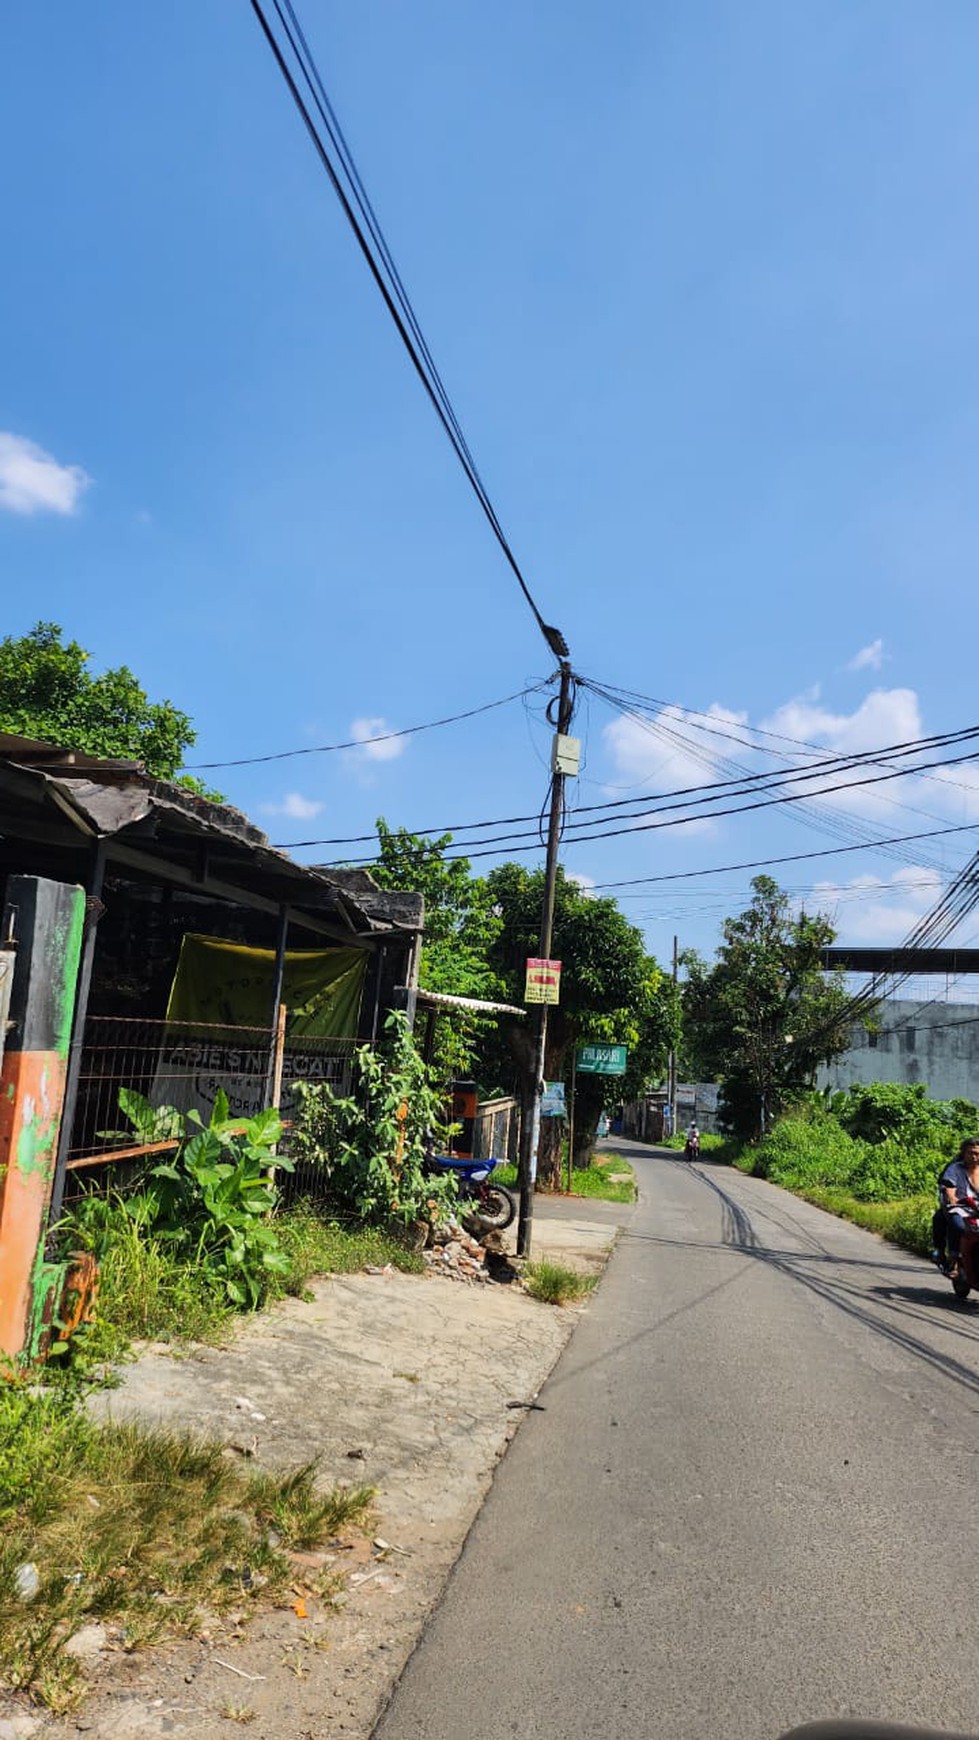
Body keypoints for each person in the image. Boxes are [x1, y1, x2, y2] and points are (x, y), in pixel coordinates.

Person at [938, 1138, 979, 1275]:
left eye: (977, 1154)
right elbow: (949, 1188)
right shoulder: (955, 1168)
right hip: (962, 1207)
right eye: (970, 1153)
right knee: (958, 1226)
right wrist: (952, 1198)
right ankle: (954, 1259)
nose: (974, 1157)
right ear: (963, 1153)